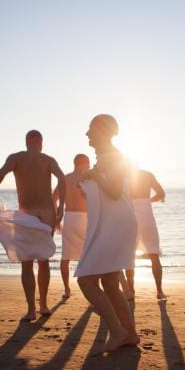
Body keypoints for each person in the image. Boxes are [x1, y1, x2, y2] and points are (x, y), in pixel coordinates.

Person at [0, 130, 65, 320]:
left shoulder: (16, 158)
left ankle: (31, 310)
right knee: (44, 261)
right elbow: (62, 179)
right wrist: (62, 206)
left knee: (27, 263)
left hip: (26, 212)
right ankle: (43, 305)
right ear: (41, 143)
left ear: (27, 142)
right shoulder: (48, 160)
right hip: (46, 212)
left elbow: (0, 174)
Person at [75, 114, 139, 353]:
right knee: (111, 283)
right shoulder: (106, 157)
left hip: (116, 223)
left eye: (91, 129)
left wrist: (93, 177)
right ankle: (130, 334)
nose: (87, 134)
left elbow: (112, 191)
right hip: (115, 221)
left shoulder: (113, 156)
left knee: (85, 280)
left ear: (102, 131)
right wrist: (89, 182)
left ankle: (117, 330)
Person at [120, 168, 167, 300]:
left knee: (129, 255)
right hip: (146, 215)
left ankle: (131, 291)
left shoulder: (122, 175)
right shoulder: (147, 175)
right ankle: (159, 291)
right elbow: (161, 194)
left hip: (129, 214)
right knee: (154, 254)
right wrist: (148, 201)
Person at [54, 154, 90, 299]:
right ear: (83, 164)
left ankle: (67, 289)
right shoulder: (89, 178)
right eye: (88, 164)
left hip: (69, 218)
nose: (88, 166)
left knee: (66, 256)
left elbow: (53, 197)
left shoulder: (65, 178)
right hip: (86, 218)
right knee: (89, 254)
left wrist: (57, 218)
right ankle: (93, 290)